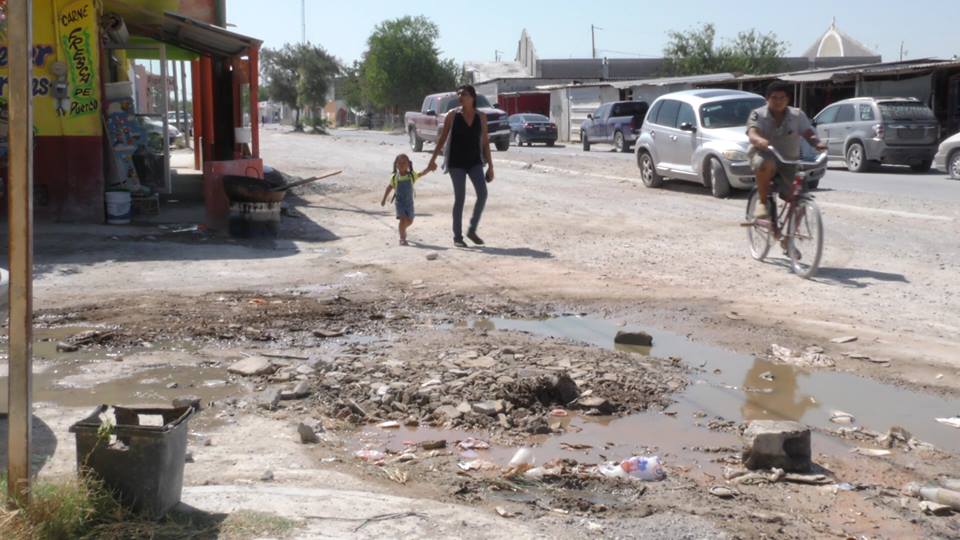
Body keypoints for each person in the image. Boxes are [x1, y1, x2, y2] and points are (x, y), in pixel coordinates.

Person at [427, 85, 495, 248]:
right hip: (456, 162)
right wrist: (433, 159)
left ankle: (471, 229)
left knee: (483, 194)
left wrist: (491, 166)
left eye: (463, 94)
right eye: (459, 94)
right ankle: (457, 237)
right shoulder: (452, 115)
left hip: (474, 162)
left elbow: (485, 142)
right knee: (460, 198)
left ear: (472, 97)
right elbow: (442, 138)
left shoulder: (481, 117)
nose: (460, 96)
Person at [747, 81, 826, 219]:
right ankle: (762, 202)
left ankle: (790, 233)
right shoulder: (758, 114)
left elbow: (808, 132)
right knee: (765, 163)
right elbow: (752, 133)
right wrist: (759, 140)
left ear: (788, 99)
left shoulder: (797, 115)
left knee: (799, 195)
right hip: (766, 154)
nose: (778, 101)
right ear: (767, 99)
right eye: (774, 98)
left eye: (782, 98)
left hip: (789, 160)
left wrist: (816, 143)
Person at [381, 153, 432, 246]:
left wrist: (429, 169)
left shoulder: (412, 175)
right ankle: (402, 238)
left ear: (409, 164)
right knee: (403, 219)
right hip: (399, 203)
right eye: (399, 163)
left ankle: (403, 228)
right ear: (396, 165)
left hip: (409, 204)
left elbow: (421, 173)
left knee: (410, 221)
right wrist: (384, 199)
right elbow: (389, 188)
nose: (401, 165)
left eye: (404, 162)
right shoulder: (395, 177)